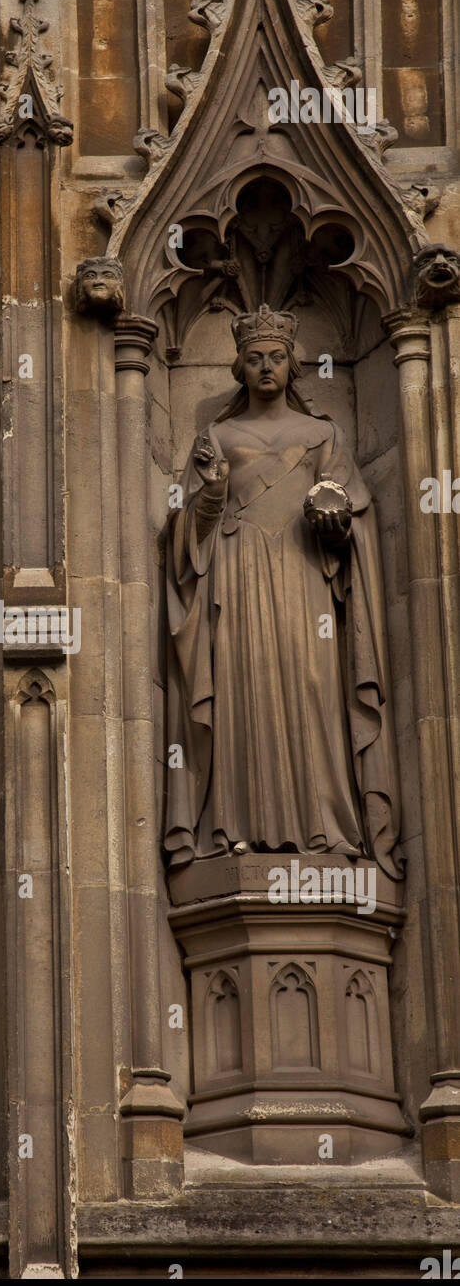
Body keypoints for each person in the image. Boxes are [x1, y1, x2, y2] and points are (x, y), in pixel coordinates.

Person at [164, 304, 403, 879]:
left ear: (293, 364)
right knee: (244, 690)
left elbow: (353, 517)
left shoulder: (323, 434)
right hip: (238, 576)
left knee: (314, 685)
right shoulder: (216, 437)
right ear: (239, 368)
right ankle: (234, 829)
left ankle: (329, 829)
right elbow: (185, 537)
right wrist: (214, 493)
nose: (265, 366)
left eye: (275, 357)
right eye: (253, 358)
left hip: (305, 580)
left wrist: (337, 524)